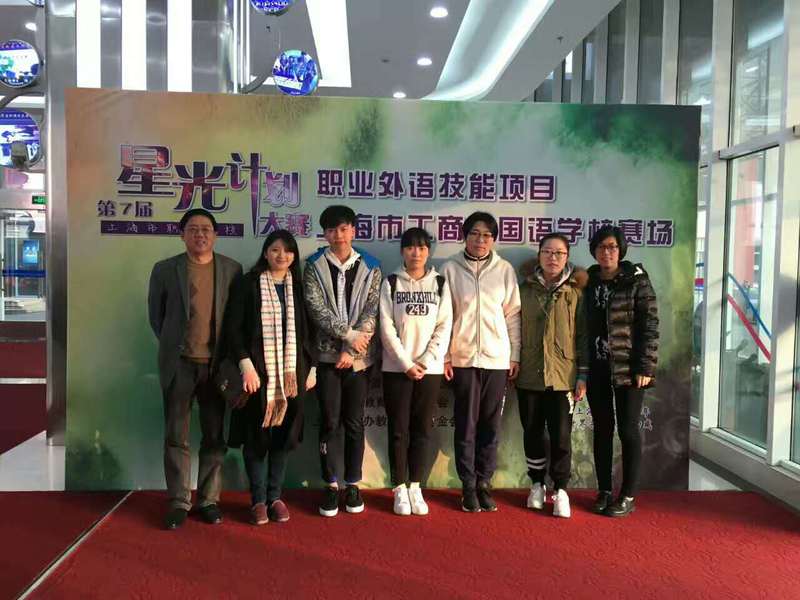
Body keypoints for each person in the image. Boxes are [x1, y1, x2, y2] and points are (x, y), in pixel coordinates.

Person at [147, 208, 242, 530]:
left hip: (217, 367)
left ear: (215, 235)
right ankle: (178, 501)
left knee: (214, 436)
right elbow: (157, 318)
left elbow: (236, 319)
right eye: (193, 229)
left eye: (206, 229)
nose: (200, 234)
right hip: (180, 365)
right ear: (182, 235)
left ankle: (209, 500)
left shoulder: (231, 269)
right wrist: (176, 347)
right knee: (177, 436)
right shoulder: (165, 270)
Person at [224, 230, 316, 525]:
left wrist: (312, 368)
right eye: (275, 249)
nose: (281, 255)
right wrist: (245, 365)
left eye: (287, 251)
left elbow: (309, 332)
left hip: (292, 376)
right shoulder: (248, 284)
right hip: (257, 375)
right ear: (265, 252)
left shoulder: (298, 287)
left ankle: (275, 497)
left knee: (283, 438)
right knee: (256, 438)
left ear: (294, 256)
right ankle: (258, 500)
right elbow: (233, 329)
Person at [304, 205, 382, 517]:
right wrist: (347, 336)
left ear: (353, 231)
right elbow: (315, 308)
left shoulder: (371, 266)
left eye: (344, 228)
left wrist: (352, 350)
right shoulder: (313, 266)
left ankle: (352, 483)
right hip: (326, 358)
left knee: (354, 421)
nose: (338, 235)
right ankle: (330, 483)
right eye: (331, 230)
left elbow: (373, 310)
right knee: (329, 420)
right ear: (325, 233)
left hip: (359, 360)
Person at [441, 211, 521, 513]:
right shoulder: (450, 269)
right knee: (466, 426)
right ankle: (468, 485)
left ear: (494, 239)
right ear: (465, 236)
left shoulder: (504, 270)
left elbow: (513, 315)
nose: (480, 240)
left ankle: (484, 483)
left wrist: (514, 354)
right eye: (474, 233)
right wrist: (446, 356)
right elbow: (443, 317)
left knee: (491, 426)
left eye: (487, 235)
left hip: (497, 361)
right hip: (462, 360)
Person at [585, 225, 659, 517]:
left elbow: (649, 325)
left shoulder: (637, 281)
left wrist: (646, 366)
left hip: (629, 369)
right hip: (597, 368)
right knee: (602, 429)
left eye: (612, 247)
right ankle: (604, 490)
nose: (607, 252)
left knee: (628, 430)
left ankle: (627, 495)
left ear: (621, 250)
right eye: (602, 247)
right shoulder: (588, 281)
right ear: (594, 251)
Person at [379, 227, 453, 516]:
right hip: (396, 369)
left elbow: (444, 326)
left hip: (429, 370)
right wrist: (405, 363)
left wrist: (425, 360)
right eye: (410, 247)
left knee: (422, 429)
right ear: (402, 251)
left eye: (422, 248)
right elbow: (386, 328)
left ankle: (415, 486)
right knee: (399, 429)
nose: (416, 253)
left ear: (428, 252)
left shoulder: (440, 284)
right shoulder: (391, 282)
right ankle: (399, 487)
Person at [516, 233, 588, 518]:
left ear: (567, 257)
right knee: (532, 431)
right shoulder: (524, 290)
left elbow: (583, 336)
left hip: (563, 377)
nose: (553, 257)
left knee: (561, 436)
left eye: (559, 253)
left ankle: (561, 489)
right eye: (547, 251)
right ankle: (536, 484)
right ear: (539, 255)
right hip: (529, 374)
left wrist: (582, 375)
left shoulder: (575, 293)